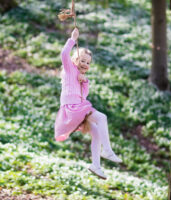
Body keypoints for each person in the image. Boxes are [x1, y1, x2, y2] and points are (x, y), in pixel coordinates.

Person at [54, 27, 122, 180]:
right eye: (82, 60)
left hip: (78, 107)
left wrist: (84, 82)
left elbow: (84, 96)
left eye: (88, 62)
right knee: (102, 118)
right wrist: (72, 39)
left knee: (96, 132)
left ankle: (95, 165)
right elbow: (64, 54)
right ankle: (107, 151)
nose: (85, 64)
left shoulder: (81, 77)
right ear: (75, 60)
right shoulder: (69, 69)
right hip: (72, 108)